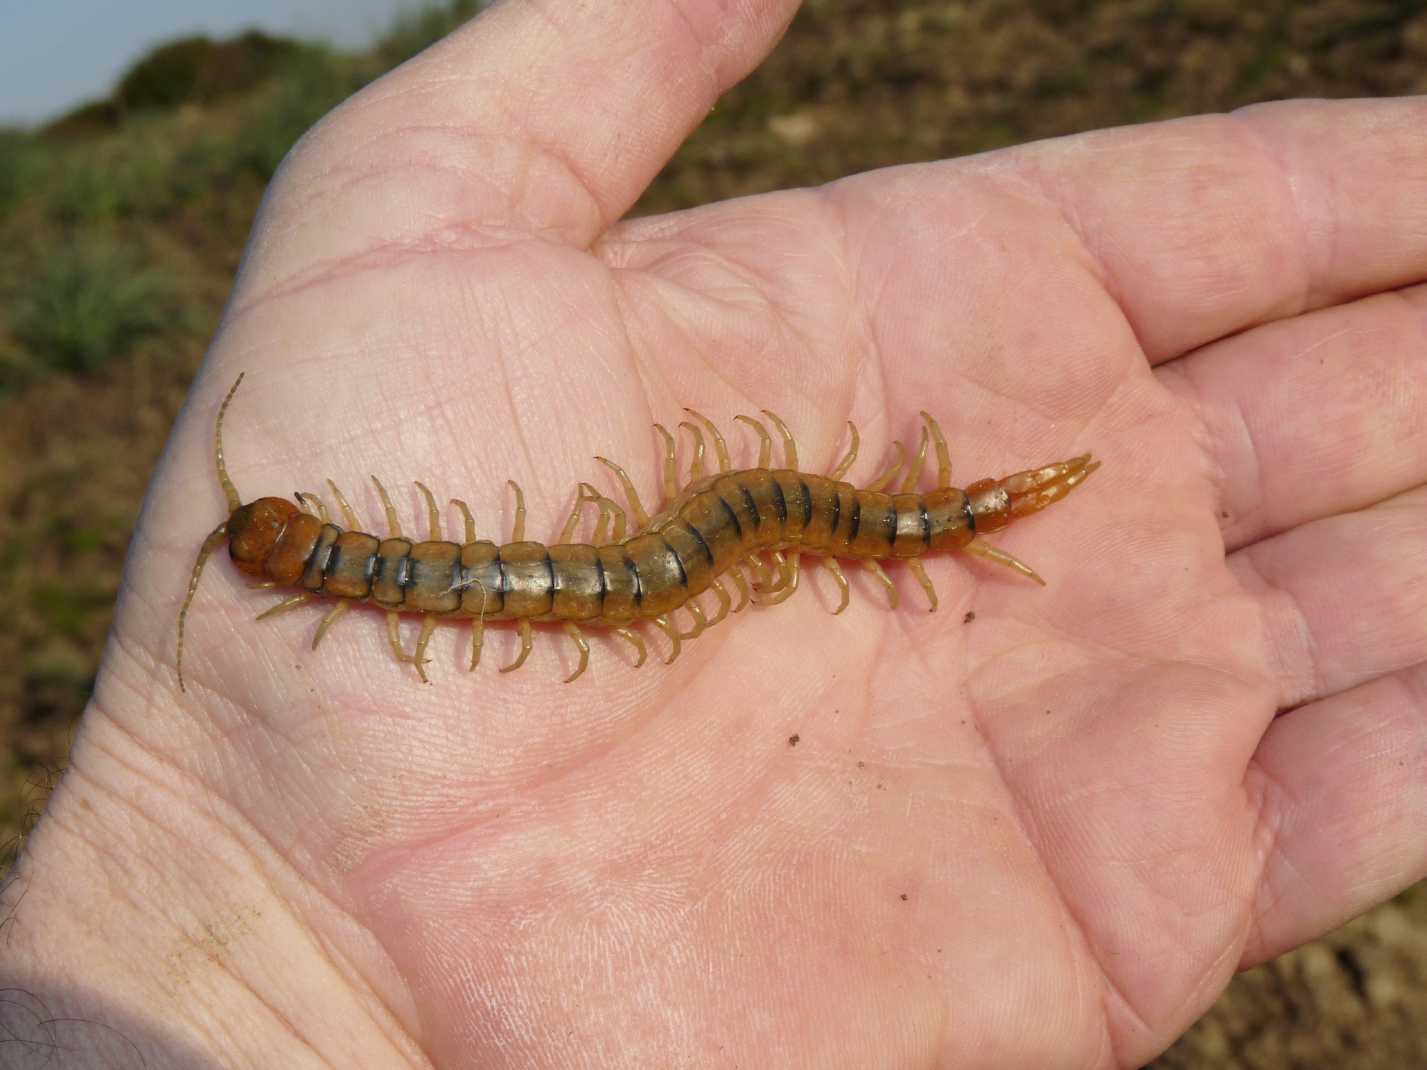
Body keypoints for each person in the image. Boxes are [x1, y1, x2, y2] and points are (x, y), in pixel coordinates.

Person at [4, 2, 1425, 1066]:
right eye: (298, 534)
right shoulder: (429, 588)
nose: (312, 533)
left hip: (756, 533)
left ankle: (948, 519)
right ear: (318, 548)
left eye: (296, 524)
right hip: (683, 562)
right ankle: (948, 520)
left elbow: (603, 559)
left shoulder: (405, 576)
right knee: (676, 552)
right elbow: (551, 579)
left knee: (758, 526)